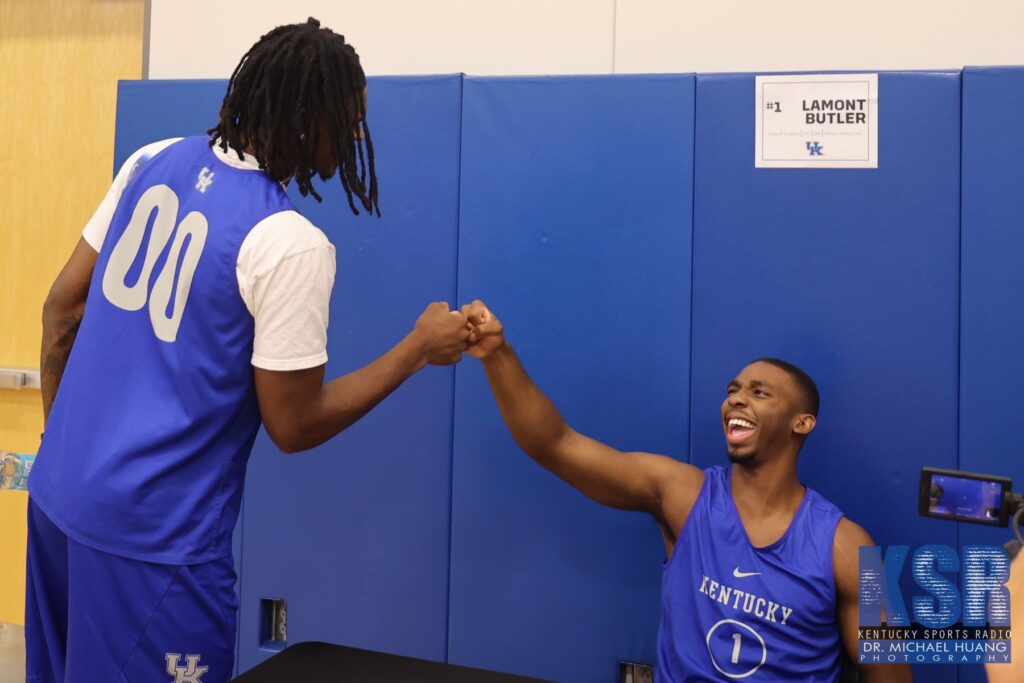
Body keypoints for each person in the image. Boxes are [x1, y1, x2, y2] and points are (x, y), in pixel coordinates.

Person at [29, 18, 470, 682]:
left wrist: (65, 451)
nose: (356, 136)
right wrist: (416, 348)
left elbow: (61, 306)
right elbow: (294, 423)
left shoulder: (149, 160)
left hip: (57, 503)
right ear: (301, 116)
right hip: (155, 546)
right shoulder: (287, 242)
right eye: (346, 119)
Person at [460, 300, 912, 682]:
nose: (736, 399)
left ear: (802, 422)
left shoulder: (853, 547)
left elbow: (893, 677)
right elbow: (555, 444)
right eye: (733, 390)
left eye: (759, 392)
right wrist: (498, 355)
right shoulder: (681, 494)